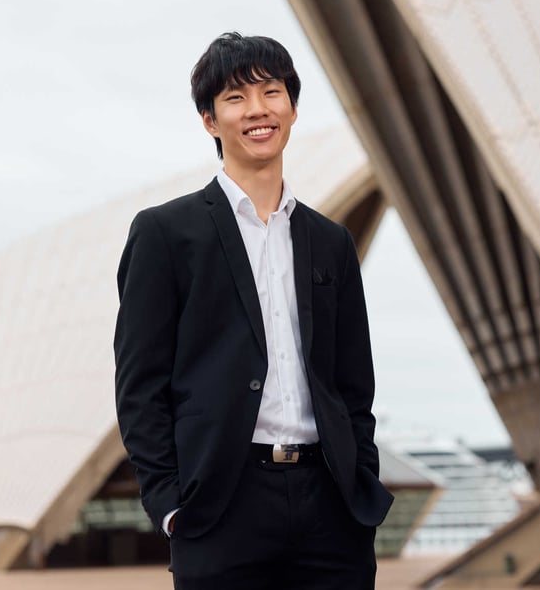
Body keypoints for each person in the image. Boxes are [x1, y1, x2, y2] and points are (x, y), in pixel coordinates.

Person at [113, 31, 393, 589]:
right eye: (235, 98)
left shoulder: (330, 241)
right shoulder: (166, 233)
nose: (257, 110)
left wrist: (359, 476)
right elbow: (139, 386)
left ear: (291, 107)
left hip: (329, 507)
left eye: (271, 92)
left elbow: (354, 384)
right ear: (210, 121)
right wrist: (170, 505)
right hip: (220, 505)